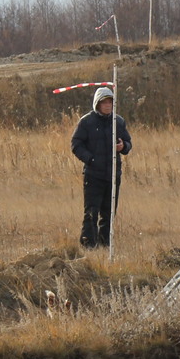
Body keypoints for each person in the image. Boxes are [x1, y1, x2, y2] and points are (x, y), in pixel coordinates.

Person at [70, 85, 132, 248]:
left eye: (110, 102)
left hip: (113, 176)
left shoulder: (118, 121)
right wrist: (90, 159)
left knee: (109, 213)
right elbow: (76, 144)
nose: (107, 105)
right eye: (104, 102)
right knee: (91, 212)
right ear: (97, 103)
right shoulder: (87, 122)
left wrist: (123, 146)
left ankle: (105, 245)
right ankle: (88, 245)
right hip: (93, 176)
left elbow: (128, 143)